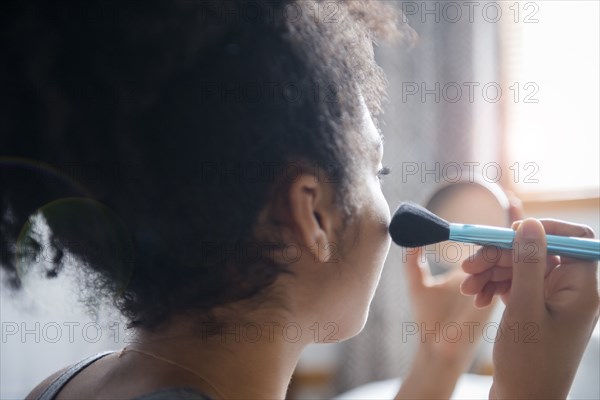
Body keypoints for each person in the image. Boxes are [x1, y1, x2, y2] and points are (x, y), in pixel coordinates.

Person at [0, 1, 597, 399]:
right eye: (377, 169)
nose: (390, 207)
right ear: (311, 214)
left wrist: (440, 361)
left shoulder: (65, 385)